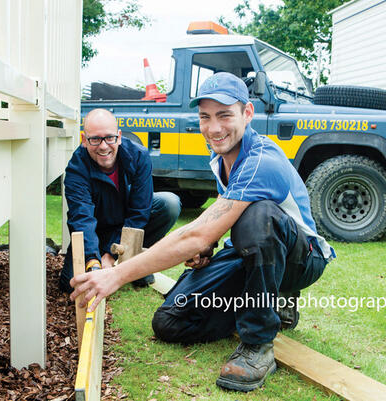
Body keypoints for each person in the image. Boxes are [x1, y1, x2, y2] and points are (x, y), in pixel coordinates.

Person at [69, 73, 335, 392]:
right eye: (205, 117)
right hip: (251, 253)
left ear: (247, 113)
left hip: (302, 259)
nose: (214, 127)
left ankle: (258, 344)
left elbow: (198, 234)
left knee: (260, 217)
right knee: (169, 321)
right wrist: (207, 246)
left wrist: (116, 274)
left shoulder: (262, 160)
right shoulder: (220, 158)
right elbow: (216, 224)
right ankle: (267, 300)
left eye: (225, 115)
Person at [59, 109, 181, 292]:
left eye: (109, 138)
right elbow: (82, 219)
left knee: (169, 203)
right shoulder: (77, 169)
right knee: (72, 285)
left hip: (126, 225)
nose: (103, 146)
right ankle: (124, 263)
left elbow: (140, 212)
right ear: (84, 140)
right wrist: (94, 262)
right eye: (95, 139)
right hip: (95, 233)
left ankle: (134, 261)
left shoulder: (139, 156)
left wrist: (111, 254)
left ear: (119, 137)